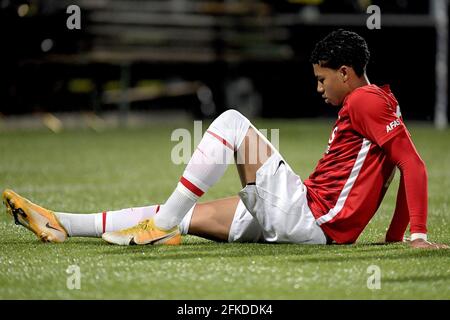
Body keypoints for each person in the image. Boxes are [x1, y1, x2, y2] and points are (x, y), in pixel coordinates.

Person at [3, 29, 448, 249]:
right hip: (308, 218)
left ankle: (159, 229)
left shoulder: (365, 101)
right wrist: (395, 240)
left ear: (345, 73)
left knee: (233, 122)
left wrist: (417, 236)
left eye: (322, 79)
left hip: (310, 216)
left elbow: (414, 166)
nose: (319, 89)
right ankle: (61, 221)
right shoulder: (384, 102)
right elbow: (402, 166)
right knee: (184, 216)